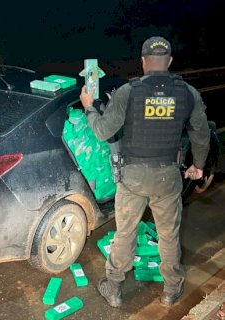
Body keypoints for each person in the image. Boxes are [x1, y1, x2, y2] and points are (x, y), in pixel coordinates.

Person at [79, 36, 211, 308]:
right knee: (168, 236)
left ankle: (114, 287)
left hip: (133, 177)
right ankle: (171, 289)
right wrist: (198, 165)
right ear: (170, 62)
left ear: (142, 62)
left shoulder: (129, 92)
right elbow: (201, 134)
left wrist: (89, 107)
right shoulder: (187, 93)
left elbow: (104, 131)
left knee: (125, 232)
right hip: (167, 177)